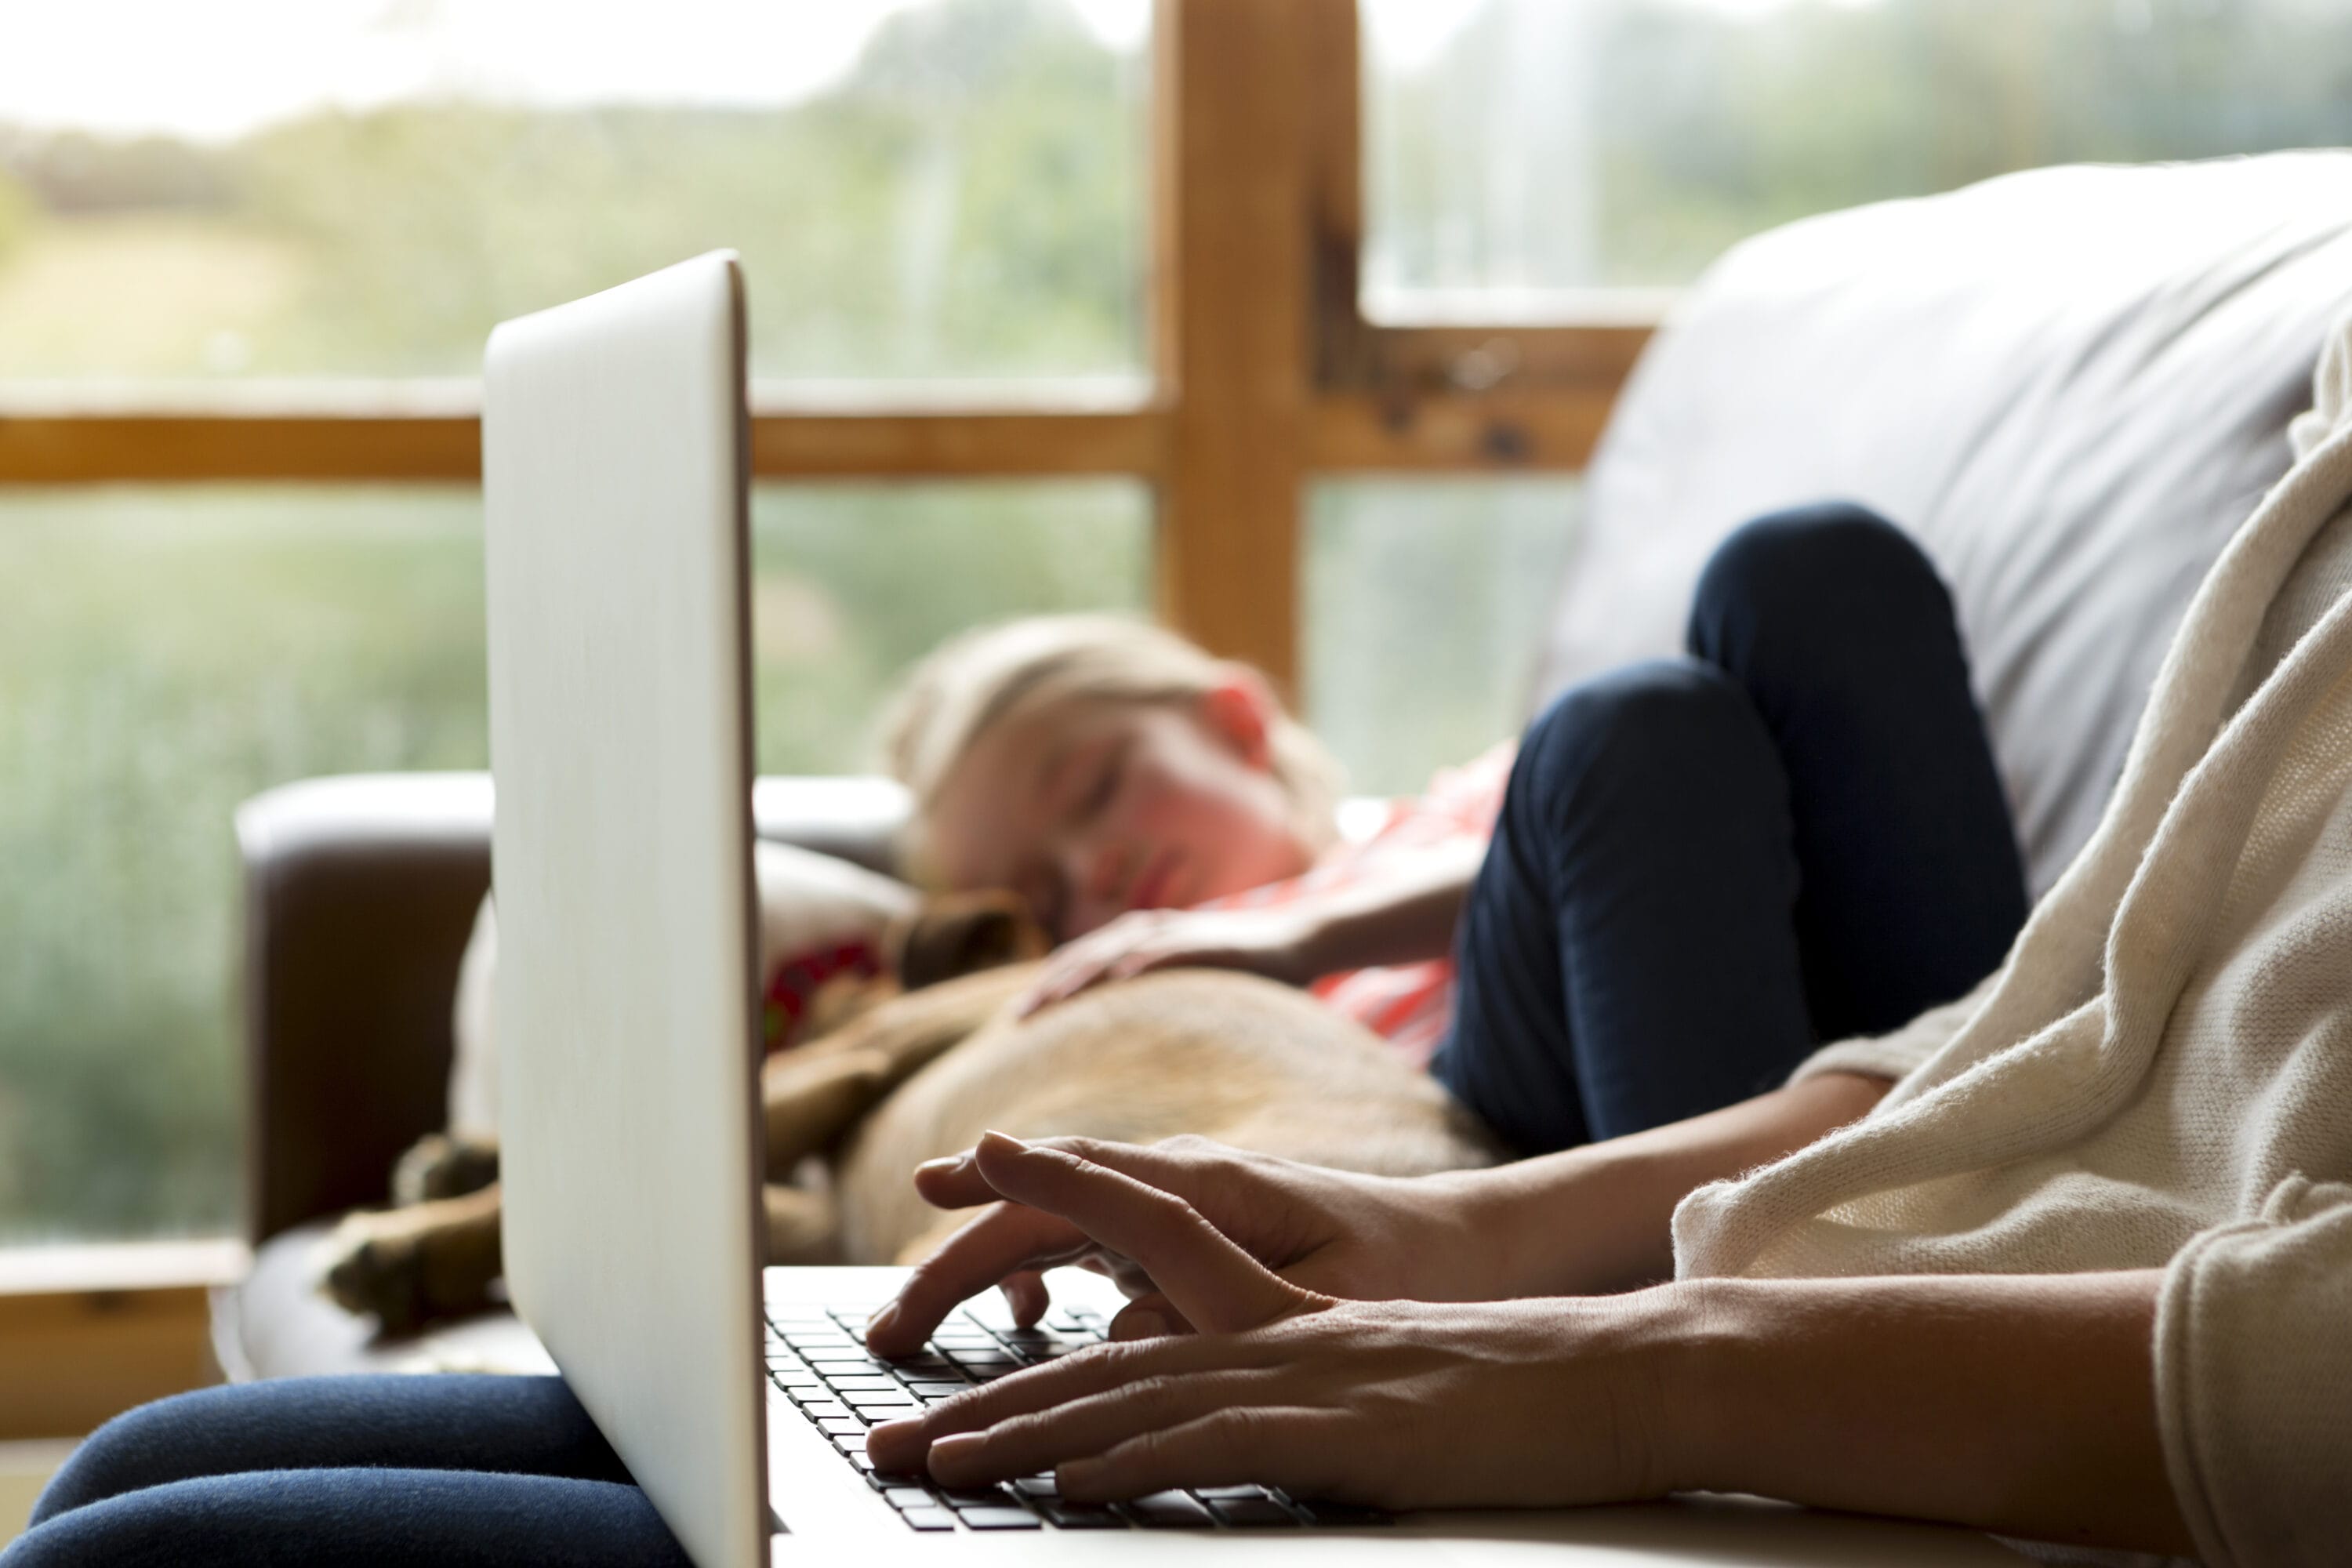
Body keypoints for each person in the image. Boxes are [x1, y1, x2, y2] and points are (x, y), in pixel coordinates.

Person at [27, 320, 2352, 1561]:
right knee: (136, 1466)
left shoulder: (1440, 815)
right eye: (1041, 888)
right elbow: (2060, 1006)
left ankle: (1711, 1298)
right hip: (1798, 1117)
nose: (1104, 892)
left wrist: (1351, 911)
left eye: (1106, 797)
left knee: (1677, 683)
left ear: (1238, 712)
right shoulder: (2301, 562)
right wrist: (1417, 1230)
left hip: (1721, 1221)